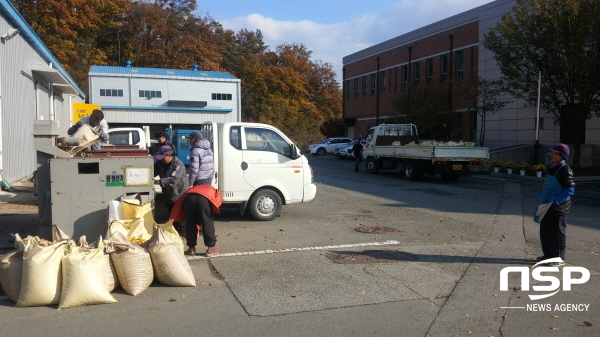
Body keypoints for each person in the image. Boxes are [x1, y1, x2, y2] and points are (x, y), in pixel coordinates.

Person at [534, 143, 575, 267]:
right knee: (545, 231)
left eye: (555, 153)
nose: (551, 155)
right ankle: (548, 255)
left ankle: (558, 258)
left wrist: (556, 202)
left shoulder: (564, 169)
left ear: (562, 155)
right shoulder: (552, 167)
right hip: (546, 203)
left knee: (557, 233)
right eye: (551, 152)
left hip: (557, 207)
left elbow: (570, 190)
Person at [170, 184, 222, 257]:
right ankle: (211, 248)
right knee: (207, 221)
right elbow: (217, 203)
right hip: (203, 198)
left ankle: (191, 248)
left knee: (190, 222)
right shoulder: (215, 191)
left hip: (188, 198)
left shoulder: (196, 188)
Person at [154, 145, 189, 236]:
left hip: (180, 193)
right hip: (169, 194)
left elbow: (174, 180)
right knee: (171, 216)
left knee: (180, 217)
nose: (161, 159)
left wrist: (158, 181)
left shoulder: (178, 164)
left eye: (163, 157)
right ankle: (174, 235)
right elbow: (152, 172)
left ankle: (183, 235)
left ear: (169, 155)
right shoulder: (161, 164)